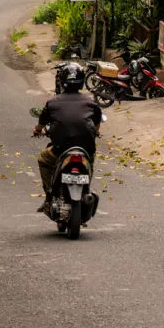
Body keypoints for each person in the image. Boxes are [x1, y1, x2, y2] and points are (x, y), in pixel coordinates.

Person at [33, 62, 102, 214]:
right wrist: (96, 132)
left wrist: (38, 130)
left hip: (61, 150)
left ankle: (50, 193)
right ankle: (86, 189)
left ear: (62, 81)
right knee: (90, 163)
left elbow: (41, 122)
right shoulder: (91, 102)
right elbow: (97, 122)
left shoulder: (52, 103)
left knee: (43, 160)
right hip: (86, 149)